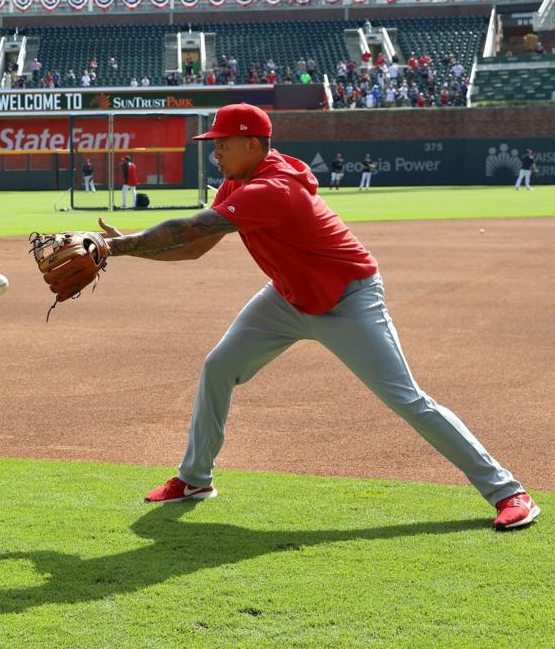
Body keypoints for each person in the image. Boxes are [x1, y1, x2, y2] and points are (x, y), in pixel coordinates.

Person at [99, 103, 538, 531]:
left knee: (406, 398)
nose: (214, 152)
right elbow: (194, 249)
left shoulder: (273, 188)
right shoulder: (236, 184)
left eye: (222, 144)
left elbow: (191, 230)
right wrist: (129, 249)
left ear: (252, 145)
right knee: (219, 367)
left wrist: (120, 246)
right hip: (287, 298)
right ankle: (195, 479)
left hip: (349, 299)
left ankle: (508, 492)